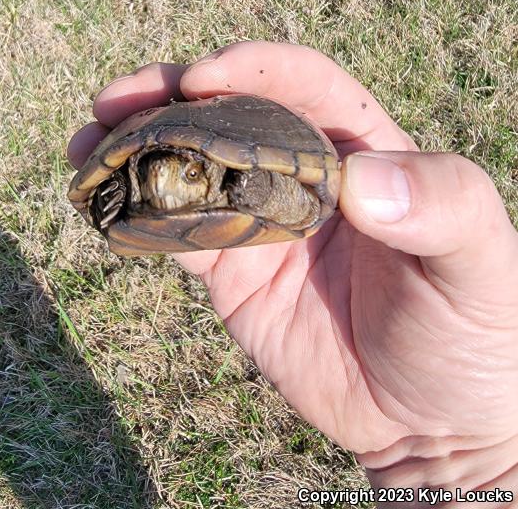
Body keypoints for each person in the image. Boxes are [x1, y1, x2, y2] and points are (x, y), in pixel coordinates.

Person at [67, 41, 518, 504]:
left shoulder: (249, 181)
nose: (162, 184)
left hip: (265, 183)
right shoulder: (130, 185)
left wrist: (483, 457)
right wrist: (480, 470)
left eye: (185, 175)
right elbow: (104, 200)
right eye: (150, 174)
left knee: (252, 174)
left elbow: (297, 185)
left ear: (206, 174)